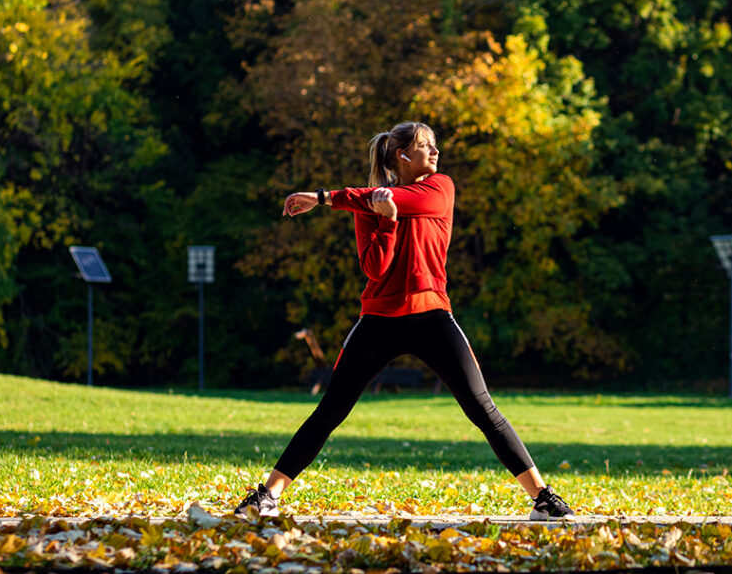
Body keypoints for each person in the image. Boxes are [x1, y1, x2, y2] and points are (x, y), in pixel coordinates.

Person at [234, 121, 574, 520]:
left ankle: (543, 498)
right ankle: (268, 495)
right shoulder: (369, 207)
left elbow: (400, 198)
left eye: (435, 146)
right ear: (402, 155)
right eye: (426, 147)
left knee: (482, 407)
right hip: (379, 319)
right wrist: (389, 221)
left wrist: (324, 197)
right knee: (331, 409)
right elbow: (376, 269)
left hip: (432, 315)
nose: (435, 153)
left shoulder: (439, 187)